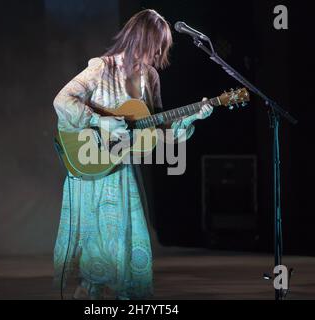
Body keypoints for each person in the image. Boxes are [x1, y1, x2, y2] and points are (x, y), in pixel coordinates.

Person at [53, 9, 213, 300]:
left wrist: (190, 120)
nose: (159, 52)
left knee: (126, 260)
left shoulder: (150, 77)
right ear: (140, 39)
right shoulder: (101, 68)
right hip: (92, 173)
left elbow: (158, 128)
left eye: (163, 46)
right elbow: (62, 100)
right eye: (157, 44)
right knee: (93, 270)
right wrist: (99, 119)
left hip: (122, 173)